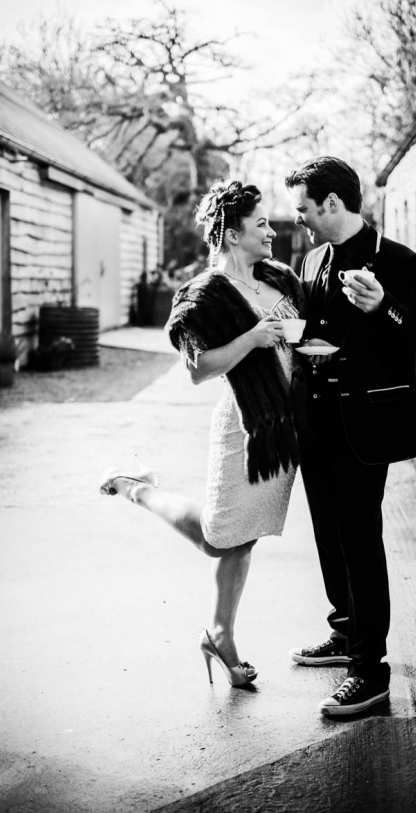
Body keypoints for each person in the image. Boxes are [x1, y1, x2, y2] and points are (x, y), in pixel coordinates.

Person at [100, 179, 306, 688]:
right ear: (233, 234)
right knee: (219, 537)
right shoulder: (203, 296)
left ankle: (220, 634)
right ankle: (135, 487)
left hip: (281, 428)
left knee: (243, 537)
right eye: (261, 223)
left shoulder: (279, 277)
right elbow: (198, 369)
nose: (271, 232)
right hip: (244, 428)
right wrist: (253, 338)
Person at [285, 156, 416, 716]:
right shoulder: (311, 260)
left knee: (359, 540)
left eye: (303, 208)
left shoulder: (399, 260)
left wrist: (384, 307)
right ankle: (345, 628)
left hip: (366, 426)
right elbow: (312, 330)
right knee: (328, 536)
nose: (299, 219)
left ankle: (370, 671)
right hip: (314, 421)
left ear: (331, 203)